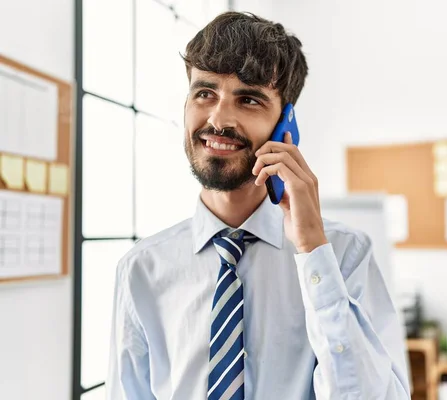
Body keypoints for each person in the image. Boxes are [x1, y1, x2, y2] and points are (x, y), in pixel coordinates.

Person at [106, 11, 410, 400]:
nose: (219, 119)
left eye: (248, 99)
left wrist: (314, 249)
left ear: (286, 125)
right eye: (205, 93)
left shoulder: (345, 254)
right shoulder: (141, 270)